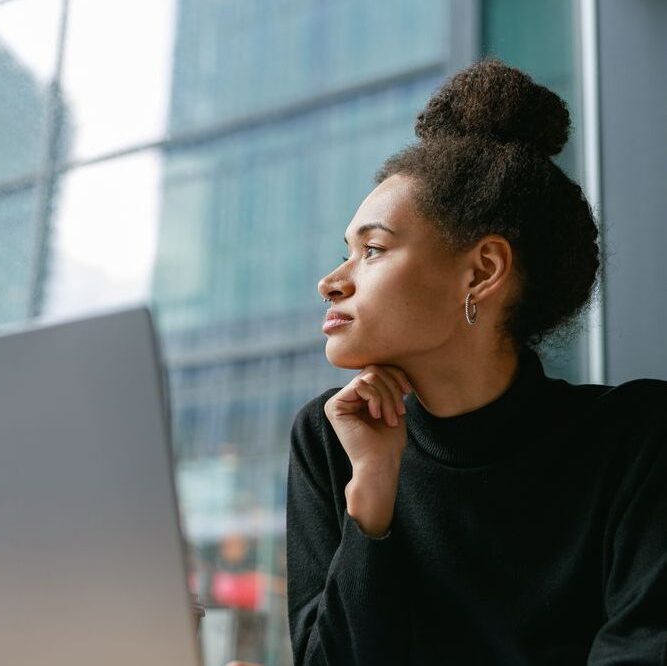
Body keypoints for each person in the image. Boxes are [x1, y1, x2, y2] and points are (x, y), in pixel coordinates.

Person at [280, 56, 667, 665]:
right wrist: (373, 504)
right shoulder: (333, 439)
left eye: (372, 250)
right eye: (345, 254)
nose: (331, 282)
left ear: (483, 270)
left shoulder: (639, 438)